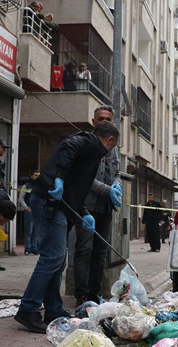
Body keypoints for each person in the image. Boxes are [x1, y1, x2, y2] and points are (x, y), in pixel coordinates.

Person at [15, 122, 120, 334]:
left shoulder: (90, 154)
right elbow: (67, 148)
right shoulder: (87, 142)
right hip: (48, 202)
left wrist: (84, 213)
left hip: (58, 206)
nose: (111, 152)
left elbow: (76, 190)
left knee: (58, 258)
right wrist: (59, 179)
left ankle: (53, 309)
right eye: (113, 146)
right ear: (110, 140)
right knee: (52, 257)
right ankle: (28, 309)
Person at [71, 106, 123, 306]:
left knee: (101, 253)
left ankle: (94, 293)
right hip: (87, 207)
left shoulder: (113, 146)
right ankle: (81, 295)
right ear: (93, 121)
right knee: (84, 250)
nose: (104, 122)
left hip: (106, 208)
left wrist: (116, 185)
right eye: (100, 119)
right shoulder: (86, 143)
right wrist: (107, 190)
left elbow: (117, 172)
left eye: (108, 119)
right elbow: (85, 178)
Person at [17, 171, 40, 255]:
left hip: (38, 211)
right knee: (29, 230)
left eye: (39, 175)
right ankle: (27, 249)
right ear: (31, 176)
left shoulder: (40, 186)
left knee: (36, 231)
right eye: (36, 175)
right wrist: (26, 207)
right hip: (29, 210)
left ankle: (34, 248)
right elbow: (21, 198)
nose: (37, 177)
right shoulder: (26, 186)